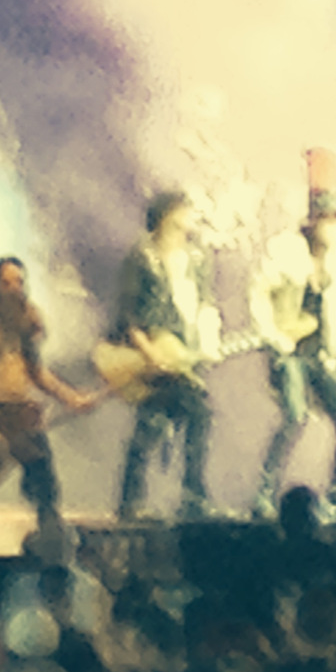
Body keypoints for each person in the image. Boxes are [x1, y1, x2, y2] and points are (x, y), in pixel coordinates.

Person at [247, 150, 336, 518]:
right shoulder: (285, 249)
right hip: (291, 350)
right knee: (295, 417)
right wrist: (271, 335)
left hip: (328, 353)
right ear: (315, 221)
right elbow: (259, 294)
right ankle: (264, 493)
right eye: (331, 220)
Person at [109, 191, 222, 520]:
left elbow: (205, 304)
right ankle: (188, 497)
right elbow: (129, 314)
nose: (189, 220)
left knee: (157, 422)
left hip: (183, 355)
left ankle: (137, 500)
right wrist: (148, 352)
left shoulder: (197, 258)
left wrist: (207, 342)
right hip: (153, 355)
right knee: (187, 416)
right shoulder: (142, 257)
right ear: (166, 217)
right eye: (182, 213)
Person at [0, 257, 97, 532]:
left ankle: (49, 534)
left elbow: (36, 371)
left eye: (19, 282)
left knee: (44, 480)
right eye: (7, 283)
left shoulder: (26, 319)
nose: (14, 289)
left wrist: (70, 396)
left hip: (20, 411)